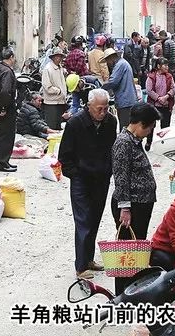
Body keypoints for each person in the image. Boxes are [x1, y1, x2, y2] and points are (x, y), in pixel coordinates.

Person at [57, 89, 118, 280]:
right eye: (99, 109)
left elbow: (112, 149)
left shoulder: (110, 122)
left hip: (101, 178)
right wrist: (75, 174)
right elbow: (64, 155)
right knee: (83, 221)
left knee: (94, 218)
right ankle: (81, 266)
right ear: (89, 106)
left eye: (106, 108)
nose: (103, 112)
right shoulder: (75, 123)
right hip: (81, 179)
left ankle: (89, 259)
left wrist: (109, 170)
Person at [109, 103, 160, 295]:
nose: (149, 132)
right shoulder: (123, 143)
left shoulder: (134, 140)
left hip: (141, 204)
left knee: (136, 253)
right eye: (149, 128)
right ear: (140, 124)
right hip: (131, 207)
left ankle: (133, 291)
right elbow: (121, 178)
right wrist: (125, 208)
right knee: (127, 253)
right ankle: (122, 295)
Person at [0, 47, 19, 172]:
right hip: (5, 108)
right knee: (6, 136)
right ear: (11, 57)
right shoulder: (7, 72)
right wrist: (3, 107)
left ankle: (4, 161)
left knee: (2, 135)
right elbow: (6, 91)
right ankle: (2, 162)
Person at [102, 47, 138, 129]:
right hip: (127, 100)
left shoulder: (120, 65)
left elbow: (113, 81)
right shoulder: (122, 63)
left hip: (125, 102)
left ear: (111, 58)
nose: (107, 63)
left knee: (125, 128)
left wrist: (101, 88)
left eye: (107, 61)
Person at [146, 57, 175, 150]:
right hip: (154, 105)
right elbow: (149, 90)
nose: (167, 67)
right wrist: (158, 98)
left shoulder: (169, 76)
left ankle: (164, 144)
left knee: (165, 126)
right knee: (151, 125)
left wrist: (166, 97)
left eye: (167, 65)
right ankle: (149, 142)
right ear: (158, 66)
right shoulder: (151, 77)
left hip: (166, 105)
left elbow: (173, 88)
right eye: (164, 65)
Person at [41, 47, 68, 131]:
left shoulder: (60, 68)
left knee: (58, 126)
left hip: (60, 101)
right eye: (57, 56)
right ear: (52, 57)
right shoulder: (48, 69)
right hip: (52, 103)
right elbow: (47, 86)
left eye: (60, 56)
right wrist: (58, 91)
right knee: (52, 127)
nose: (58, 58)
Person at [64, 36, 90, 114]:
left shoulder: (69, 55)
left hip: (73, 82)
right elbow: (79, 67)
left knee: (75, 104)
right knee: (88, 103)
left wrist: (72, 73)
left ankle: (71, 116)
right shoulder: (81, 53)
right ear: (80, 44)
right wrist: (75, 73)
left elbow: (66, 67)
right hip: (82, 82)